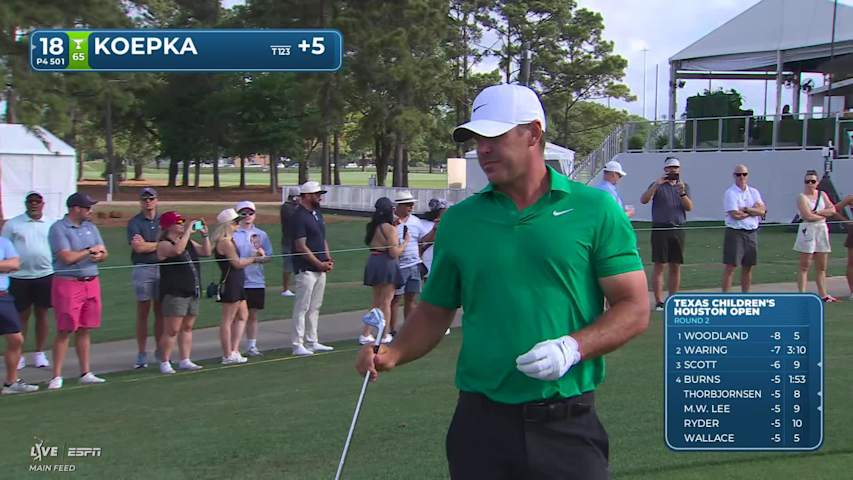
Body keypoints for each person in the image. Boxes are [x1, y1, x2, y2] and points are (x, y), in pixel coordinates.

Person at [356, 83, 649, 480]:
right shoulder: (460, 220)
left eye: (495, 136)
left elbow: (633, 307)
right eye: (478, 139)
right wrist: (393, 352)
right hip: (481, 424)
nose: (483, 149)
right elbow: (435, 309)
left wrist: (572, 348)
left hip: (566, 422)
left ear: (533, 133)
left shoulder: (594, 209)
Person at [47, 193, 109, 389]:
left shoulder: (91, 227)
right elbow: (66, 257)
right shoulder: (59, 228)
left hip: (91, 281)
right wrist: (89, 251)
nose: (90, 211)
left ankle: (85, 372)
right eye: (87, 207)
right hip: (68, 282)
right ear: (75, 208)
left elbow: (103, 251)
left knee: (85, 327)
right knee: (65, 328)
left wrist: (99, 256)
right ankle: (56, 375)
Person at [1, 191, 53, 370]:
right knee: (21, 316)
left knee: (42, 314)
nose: (34, 204)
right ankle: (19, 353)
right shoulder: (13, 224)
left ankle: (39, 352)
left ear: (42, 204)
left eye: (37, 202)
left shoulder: (50, 223)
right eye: (30, 202)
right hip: (19, 277)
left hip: (45, 274)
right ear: (26, 204)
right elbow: (4, 247)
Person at [156, 211, 211, 374]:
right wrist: (187, 231)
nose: (181, 225)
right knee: (172, 329)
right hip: (175, 291)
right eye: (178, 223)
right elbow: (177, 251)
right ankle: (165, 361)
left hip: (191, 290)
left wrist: (205, 236)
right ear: (169, 226)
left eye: (183, 223)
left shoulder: (188, 241)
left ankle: (185, 359)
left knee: (187, 327)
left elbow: (206, 252)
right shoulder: (164, 244)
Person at [640, 156, 693, 311]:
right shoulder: (657, 185)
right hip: (660, 227)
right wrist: (656, 184)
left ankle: (673, 299)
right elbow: (644, 199)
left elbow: (689, 207)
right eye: (669, 168)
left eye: (675, 168)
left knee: (675, 265)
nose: (672, 171)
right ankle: (658, 301)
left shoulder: (684, 186)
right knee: (659, 265)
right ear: (665, 170)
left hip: (678, 227)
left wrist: (682, 192)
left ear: (679, 169)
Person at [290, 181, 335, 356]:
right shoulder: (299, 216)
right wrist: (318, 263)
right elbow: (300, 246)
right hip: (306, 268)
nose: (320, 197)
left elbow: (322, 238)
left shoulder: (316, 213)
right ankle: (297, 343)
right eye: (317, 194)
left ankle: (312, 340)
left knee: (315, 306)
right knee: (302, 306)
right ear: (307, 196)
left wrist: (327, 257)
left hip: (320, 267)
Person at [212, 208, 258, 364]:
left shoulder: (229, 240)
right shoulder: (225, 242)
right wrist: (254, 258)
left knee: (242, 315)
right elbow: (237, 263)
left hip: (237, 280)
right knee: (228, 319)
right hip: (231, 280)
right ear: (228, 224)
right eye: (235, 222)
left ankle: (234, 349)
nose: (238, 224)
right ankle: (227, 354)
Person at [361, 197, 408, 345]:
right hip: (386, 263)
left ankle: (366, 333)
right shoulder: (390, 228)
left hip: (374, 260)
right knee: (387, 301)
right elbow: (394, 252)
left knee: (376, 301)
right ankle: (385, 333)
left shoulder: (373, 226)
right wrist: (405, 242)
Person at [126, 187, 164, 369]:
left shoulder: (163, 221)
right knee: (143, 311)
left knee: (160, 311)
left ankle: (160, 350)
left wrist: (152, 245)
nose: (148, 202)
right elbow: (138, 248)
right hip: (143, 267)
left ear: (156, 200)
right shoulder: (135, 222)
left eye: (151, 198)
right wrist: (160, 244)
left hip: (162, 267)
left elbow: (171, 242)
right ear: (140, 202)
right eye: (145, 199)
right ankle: (142, 353)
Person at [0, 236, 39, 394]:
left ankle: (11, 382)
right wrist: (4, 266)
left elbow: (15, 264)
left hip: (3, 296)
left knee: (16, 338)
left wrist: (6, 265)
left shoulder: (4, 242)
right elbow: (8, 265)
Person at [233, 200, 272, 356]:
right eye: (244, 213)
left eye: (251, 213)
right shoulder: (233, 234)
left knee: (252, 314)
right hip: (238, 279)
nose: (247, 216)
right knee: (237, 315)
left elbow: (269, 256)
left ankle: (251, 346)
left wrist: (261, 257)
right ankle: (233, 347)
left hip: (256, 279)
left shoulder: (261, 234)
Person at [389, 190, 428, 338]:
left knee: (411, 298)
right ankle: (391, 330)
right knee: (395, 299)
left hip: (414, 264)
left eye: (412, 204)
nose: (411, 207)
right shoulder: (391, 222)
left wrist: (437, 229)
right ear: (398, 206)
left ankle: (408, 328)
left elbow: (423, 240)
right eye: (407, 205)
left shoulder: (416, 221)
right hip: (398, 266)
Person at [793, 170, 837, 302]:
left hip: (821, 229)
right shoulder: (802, 197)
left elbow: (832, 210)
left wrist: (819, 212)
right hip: (808, 229)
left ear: (817, 182)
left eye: (813, 181)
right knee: (805, 265)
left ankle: (824, 294)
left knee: (822, 266)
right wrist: (822, 215)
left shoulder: (822, 194)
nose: (810, 184)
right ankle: (802, 294)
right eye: (807, 181)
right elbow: (807, 216)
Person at [721, 165, 766, 292]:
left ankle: (745, 296)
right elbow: (735, 215)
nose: (741, 177)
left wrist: (746, 209)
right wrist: (753, 211)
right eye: (738, 175)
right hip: (735, 232)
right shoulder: (730, 193)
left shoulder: (754, 192)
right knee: (731, 266)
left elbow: (763, 210)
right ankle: (725, 298)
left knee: (748, 266)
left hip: (751, 232)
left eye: (744, 174)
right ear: (734, 176)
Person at [280, 188, 301, 297]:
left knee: (298, 266)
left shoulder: (294, 207)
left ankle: (298, 287)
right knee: (288, 266)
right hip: (288, 241)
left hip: (296, 242)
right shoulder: (286, 208)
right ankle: (285, 289)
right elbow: (294, 219)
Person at [834, 193, 853, 300]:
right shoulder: (851, 198)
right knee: (851, 263)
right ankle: (852, 291)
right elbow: (833, 210)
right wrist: (847, 222)